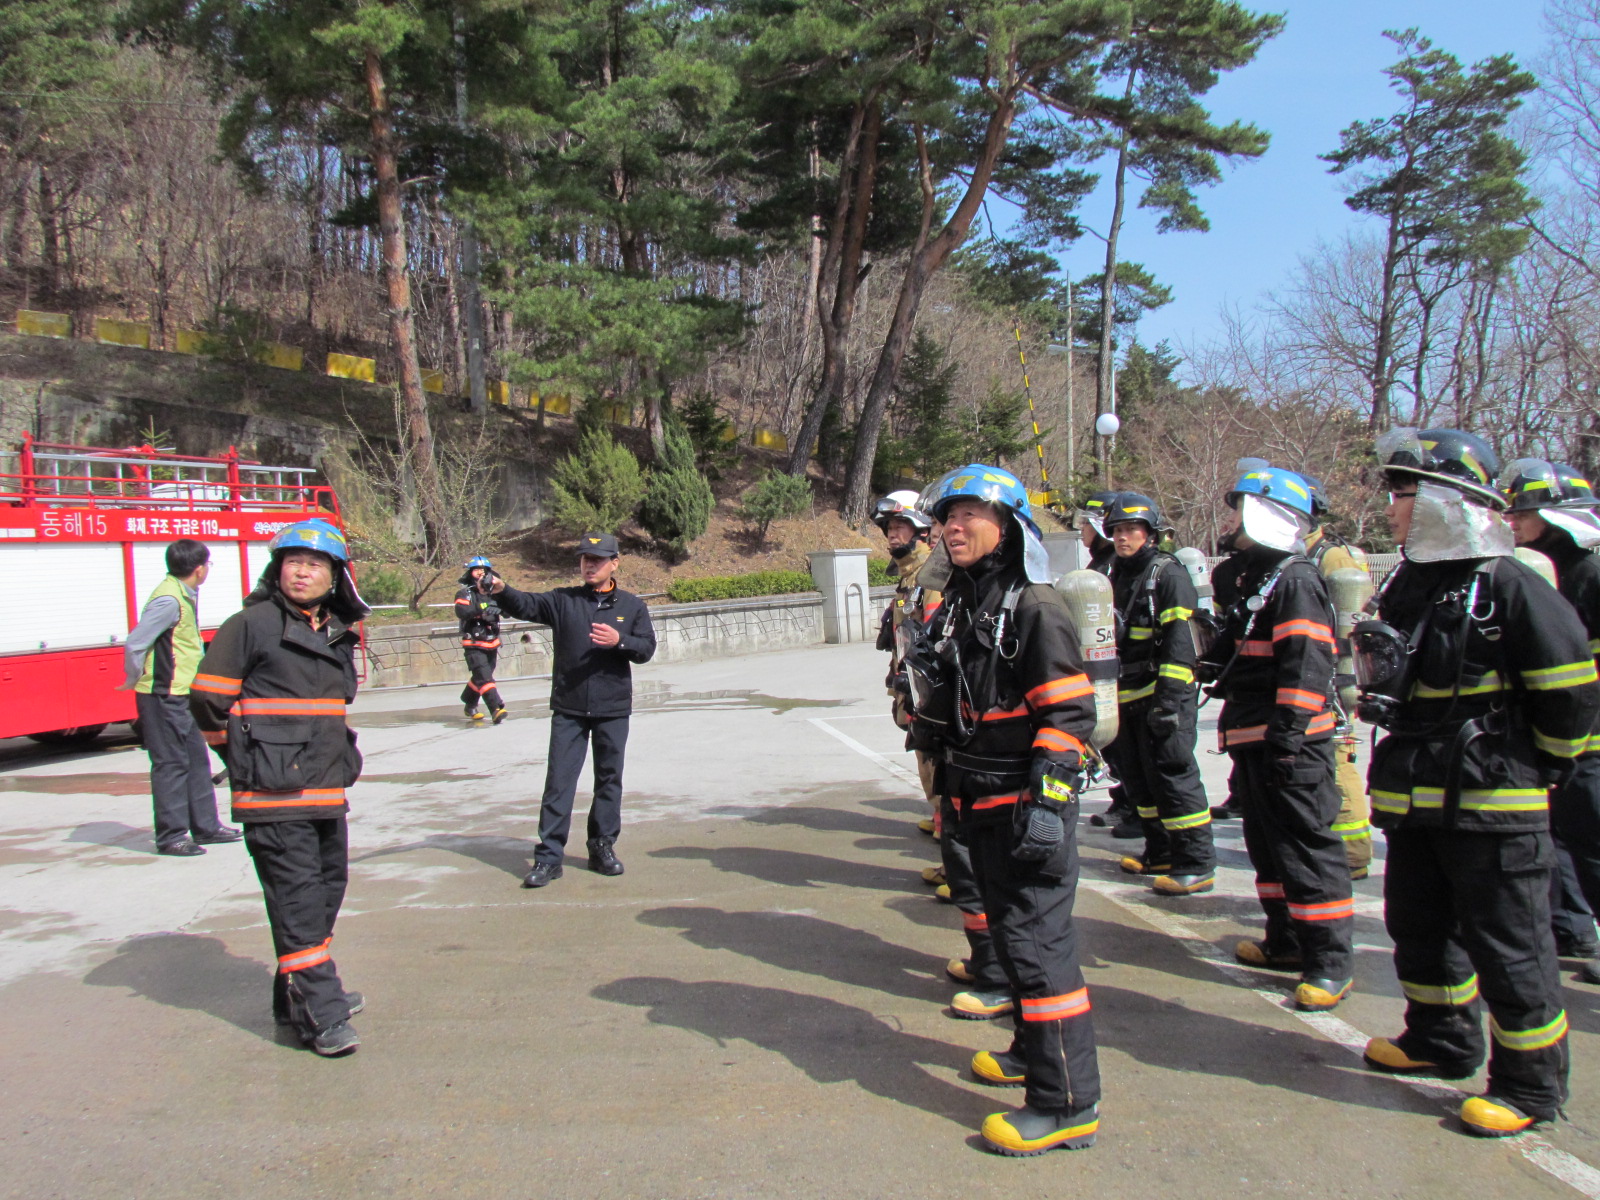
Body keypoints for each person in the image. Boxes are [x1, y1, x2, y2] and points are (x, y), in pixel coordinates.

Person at [1357, 430, 1600, 1138]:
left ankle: (1529, 1085)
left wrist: (1540, 767)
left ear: (1448, 501)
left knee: (1510, 945)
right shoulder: (1410, 583)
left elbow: (1570, 693)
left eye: (1404, 493)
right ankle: (1440, 1041)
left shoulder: (1509, 583)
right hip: (1416, 800)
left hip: (1494, 805)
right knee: (1419, 927)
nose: (1392, 508)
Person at [913, 464, 1100, 1155]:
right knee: (1014, 948)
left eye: (970, 515)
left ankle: (1066, 1104)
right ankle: (1029, 1050)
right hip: (979, 804)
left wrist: (1048, 803)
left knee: (1038, 951)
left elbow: (1069, 715)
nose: (952, 527)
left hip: (1023, 811)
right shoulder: (970, 602)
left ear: (1009, 527)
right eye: (948, 516)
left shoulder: (1035, 607)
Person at [189, 518, 369, 1056]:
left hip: (325, 789)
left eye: (314, 564)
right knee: (298, 901)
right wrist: (246, 756)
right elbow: (207, 703)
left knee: (326, 891)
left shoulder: (333, 630)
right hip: (271, 796)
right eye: (294, 562)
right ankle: (323, 1012)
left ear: (334, 576)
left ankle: (294, 992)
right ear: (278, 569)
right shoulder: (250, 625)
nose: (302, 572)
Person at [1202, 463, 1354, 1013]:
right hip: (1255, 737)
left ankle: (1329, 963)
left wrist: (1288, 740)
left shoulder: (1296, 581)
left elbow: (1306, 665)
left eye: (1243, 513)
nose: (1233, 524)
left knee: (1306, 850)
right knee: (1268, 849)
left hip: (1290, 744)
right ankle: (1285, 941)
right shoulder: (1259, 577)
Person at [492, 534, 656, 888]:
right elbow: (525, 604)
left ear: (614, 563)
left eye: (597, 559)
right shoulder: (563, 600)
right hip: (569, 708)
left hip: (612, 708)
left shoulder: (632, 606)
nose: (589, 564)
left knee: (609, 780)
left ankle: (601, 847)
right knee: (559, 782)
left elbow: (646, 649)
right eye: (585, 558)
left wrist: (620, 641)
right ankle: (549, 858)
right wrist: (501, 589)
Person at [1501, 458, 1600, 986]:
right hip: (1565, 736)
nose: (1513, 521)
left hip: (1591, 738)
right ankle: (1573, 929)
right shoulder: (1546, 572)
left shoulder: (1589, 573)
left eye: (1524, 513)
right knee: (1563, 835)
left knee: (1593, 839)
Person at [1101, 494, 1215, 895]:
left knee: (1173, 777)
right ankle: (1161, 851)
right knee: (1139, 779)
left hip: (1164, 696)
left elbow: (1181, 644)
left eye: (1131, 529)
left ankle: (1196, 863)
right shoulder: (1116, 573)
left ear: (1149, 533)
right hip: (1127, 694)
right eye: (1117, 530)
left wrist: (1168, 704)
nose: (1122, 537)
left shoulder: (1168, 575)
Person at [120, 538, 239, 856]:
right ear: (199, 569)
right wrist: (134, 678)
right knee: (171, 764)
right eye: (208, 565)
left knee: (196, 760)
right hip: (161, 695)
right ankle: (171, 836)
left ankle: (206, 827)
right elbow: (136, 643)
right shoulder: (169, 600)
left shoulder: (183, 593)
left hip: (182, 693)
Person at [1300, 475, 1375, 878]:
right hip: (1313, 672)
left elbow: (1354, 622)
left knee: (1338, 759)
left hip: (1335, 676)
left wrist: (1345, 680)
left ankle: (1353, 854)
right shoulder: (1305, 555)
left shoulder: (1333, 559)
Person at [873, 491, 941, 837]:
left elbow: (935, 635)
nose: (892, 533)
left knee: (934, 749)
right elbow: (906, 621)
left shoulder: (932, 574)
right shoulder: (909, 575)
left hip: (928, 684)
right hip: (911, 681)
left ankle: (950, 823)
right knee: (922, 749)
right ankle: (941, 814)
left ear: (920, 529)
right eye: (889, 527)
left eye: (900, 525)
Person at [455, 555, 508, 724]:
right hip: (473, 643)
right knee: (485, 678)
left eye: (484, 570)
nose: (480, 573)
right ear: (470, 573)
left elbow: (508, 612)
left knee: (481, 676)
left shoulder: (494, 592)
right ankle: (496, 708)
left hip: (492, 641)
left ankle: (469, 703)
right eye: (477, 570)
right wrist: (483, 607)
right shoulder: (465, 593)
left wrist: (500, 607)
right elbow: (462, 612)